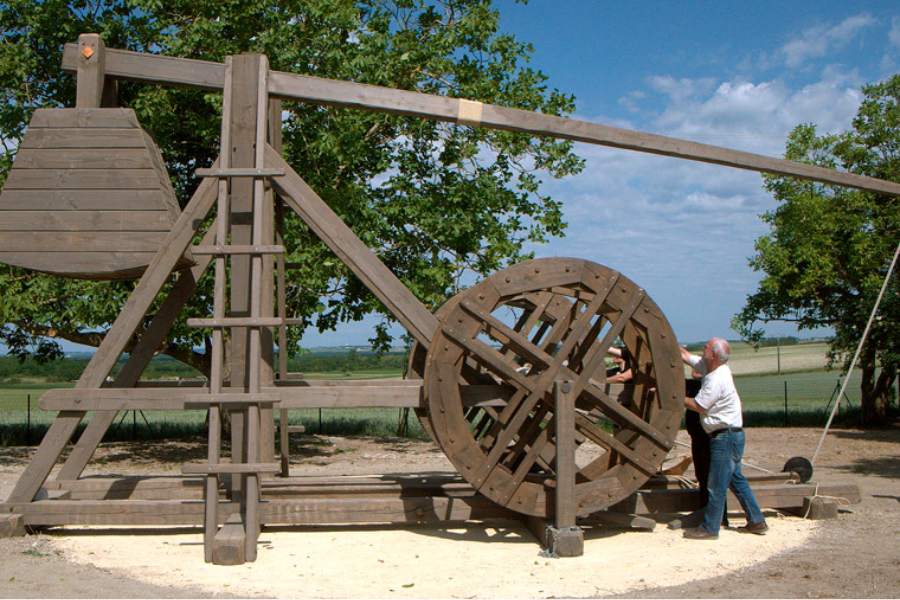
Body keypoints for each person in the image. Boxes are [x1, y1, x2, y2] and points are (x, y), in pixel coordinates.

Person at [680, 338, 768, 540]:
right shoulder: (710, 368)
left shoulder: (716, 378)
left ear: (713, 355)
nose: (702, 348)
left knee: (716, 484)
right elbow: (685, 356)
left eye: (706, 347)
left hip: (725, 437)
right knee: (736, 480)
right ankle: (757, 521)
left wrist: (674, 397)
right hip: (732, 435)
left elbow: (700, 406)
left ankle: (710, 528)